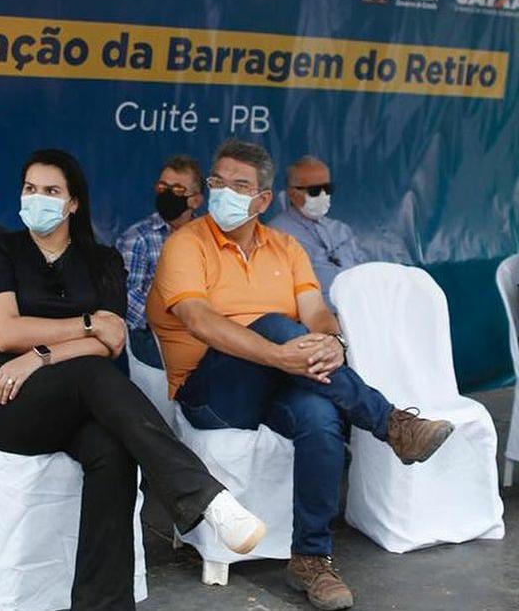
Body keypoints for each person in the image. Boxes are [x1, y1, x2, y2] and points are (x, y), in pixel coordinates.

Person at [149, 139, 454, 611]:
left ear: (262, 200)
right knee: (275, 324)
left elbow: (316, 313)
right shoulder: (186, 244)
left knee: (319, 416)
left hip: (277, 382)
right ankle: (391, 422)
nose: (224, 192)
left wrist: (334, 342)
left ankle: (311, 559)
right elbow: (200, 321)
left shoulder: (286, 247)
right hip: (210, 394)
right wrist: (278, 354)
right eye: (218, 182)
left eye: (240, 185)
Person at [0, 148, 267, 611]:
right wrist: (85, 326)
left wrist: (40, 355)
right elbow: (6, 332)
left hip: (75, 400)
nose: (37, 198)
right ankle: (203, 496)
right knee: (91, 372)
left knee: (112, 450)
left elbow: (111, 341)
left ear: (73, 203)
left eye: (51, 191)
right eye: (30, 189)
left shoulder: (102, 260)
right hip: (11, 400)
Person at [115, 154, 204, 367]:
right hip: (152, 336)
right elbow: (126, 296)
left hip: (205, 332)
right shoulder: (138, 237)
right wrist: (172, 321)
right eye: (163, 187)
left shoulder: (209, 238)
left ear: (196, 200)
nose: (168, 194)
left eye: (178, 190)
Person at [269, 155, 369, 311]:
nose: (323, 196)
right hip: (315, 316)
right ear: (292, 193)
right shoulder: (276, 233)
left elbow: (364, 271)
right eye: (314, 191)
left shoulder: (341, 230)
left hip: (359, 309)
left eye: (328, 189)